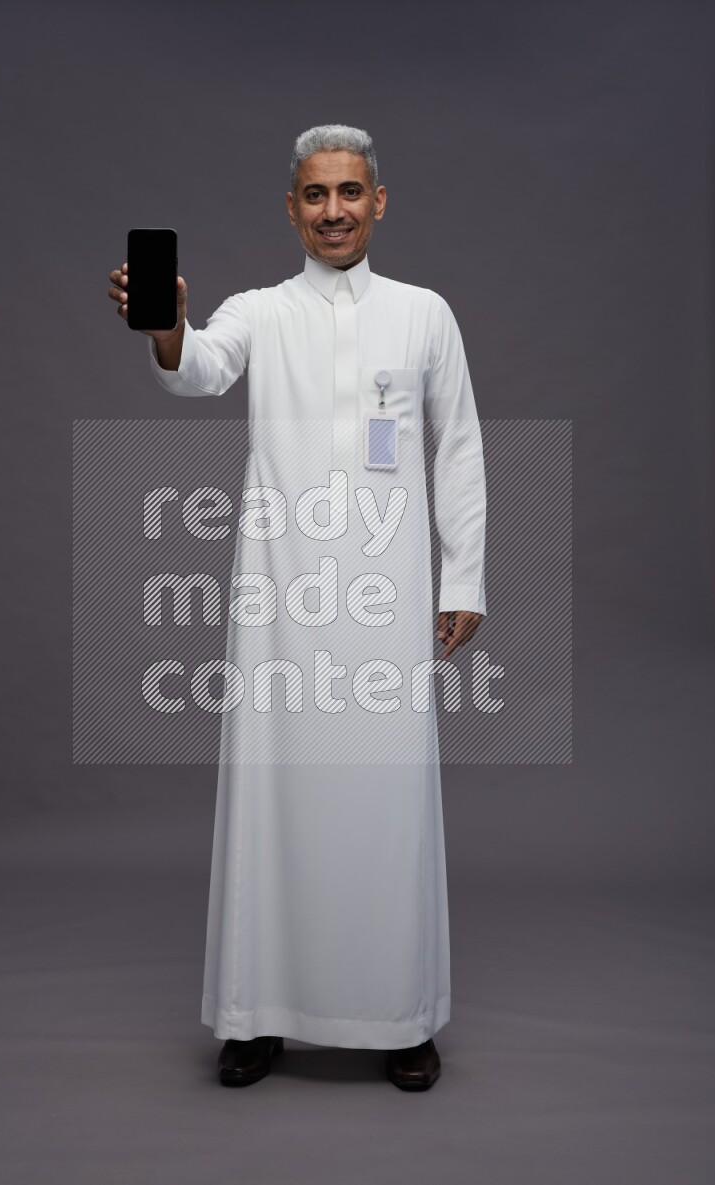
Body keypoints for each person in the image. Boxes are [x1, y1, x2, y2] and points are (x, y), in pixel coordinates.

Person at [108, 124, 487, 1091]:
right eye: (315, 196)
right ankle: (257, 1015)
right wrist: (166, 326)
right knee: (272, 802)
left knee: (388, 805)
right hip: (280, 600)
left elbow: (460, 451)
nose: (333, 211)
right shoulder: (260, 312)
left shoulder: (423, 314)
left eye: (349, 193)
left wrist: (463, 580)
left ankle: (401, 1018)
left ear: (380, 200)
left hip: (389, 598)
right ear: (291, 209)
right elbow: (198, 368)